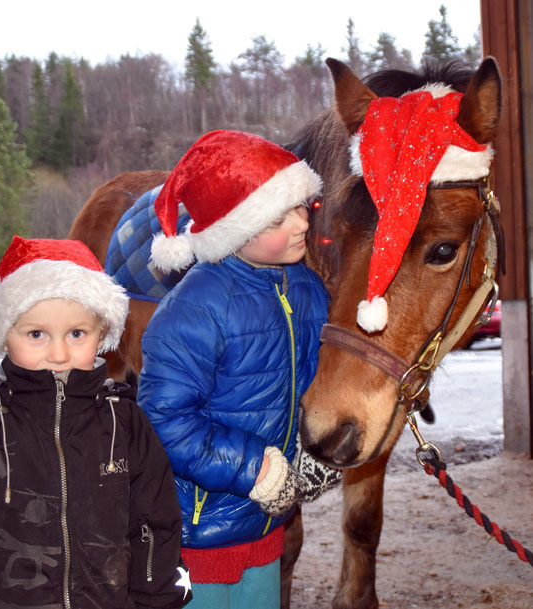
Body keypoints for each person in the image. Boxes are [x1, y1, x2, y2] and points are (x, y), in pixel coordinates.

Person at [0, 236, 192, 609]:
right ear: (5, 336)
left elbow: (154, 525)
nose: (58, 353)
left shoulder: (124, 423)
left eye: (77, 333)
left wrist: (155, 598)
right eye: (36, 334)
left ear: (102, 333)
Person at [137, 130, 341, 608]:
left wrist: (315, 452)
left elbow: (315, 381)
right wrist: (255, 469)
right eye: (278, 217)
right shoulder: (196, 308)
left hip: (267, 523)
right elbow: (165, 421)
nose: (300, 226)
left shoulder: (308, 289)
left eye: (301, 208)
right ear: (233, 227)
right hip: (202, 528)